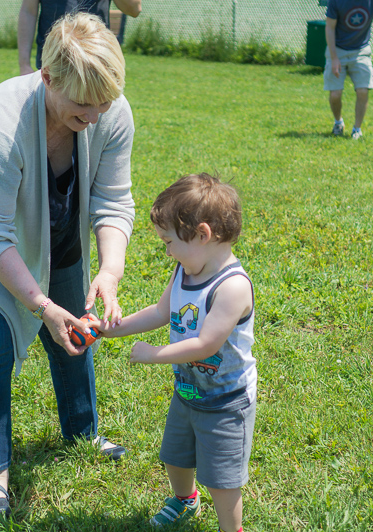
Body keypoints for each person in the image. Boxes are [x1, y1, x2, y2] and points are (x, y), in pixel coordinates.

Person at [0, 12, 135, 517]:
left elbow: (112, 200)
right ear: (47, 79)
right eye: (83, 105)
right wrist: (41, 305)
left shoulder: (111, 111)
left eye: (104, 102)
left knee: (75, 331)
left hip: (54, 230)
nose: (96, 115)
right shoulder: (1, 123)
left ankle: (83, 431)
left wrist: (108, 271)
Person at [89, 173, 257, 532]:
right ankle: (185, 500)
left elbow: (206, 344)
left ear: (201, 234)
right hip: (188, 390)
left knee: (222, 479)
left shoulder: (232, 288)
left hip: (226, 402)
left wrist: (154, 353)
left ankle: (232, 528)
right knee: (176, 456)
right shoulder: (185, 269)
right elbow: (161, 311)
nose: (167, 251)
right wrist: (112, 328)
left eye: (168, 241)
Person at [324, 0, 373, 139]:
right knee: (335, 94)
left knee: (363, 90)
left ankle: (357, 129)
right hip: (337, 50)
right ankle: (338, 122)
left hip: (361, 51)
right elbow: (329, 28)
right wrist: (334, 57)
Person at [18, 0, 142, 74]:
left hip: (95, 63)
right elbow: (28, 11)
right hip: (52, 63)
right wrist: (24, 65)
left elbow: (134, 9)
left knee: (92, 116)